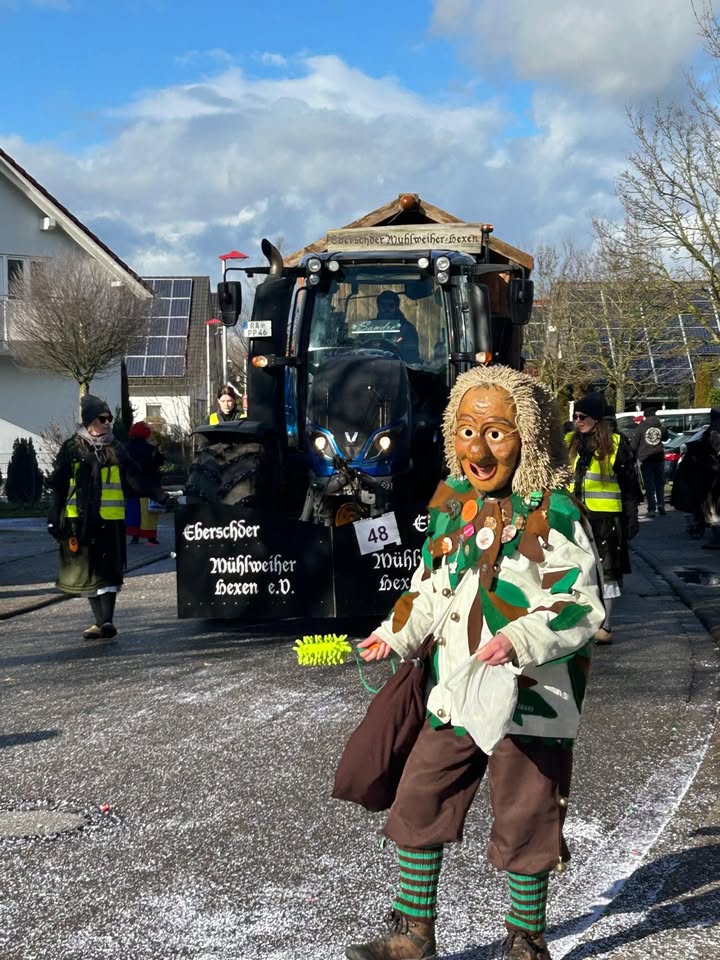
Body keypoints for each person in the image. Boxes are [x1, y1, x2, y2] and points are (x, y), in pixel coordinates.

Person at [344, 366, 604, 960]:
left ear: (528, 436)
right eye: (465, 432)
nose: (477, 451)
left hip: (531, 693)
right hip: (457, 684)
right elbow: (432, 584)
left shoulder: (550, 511)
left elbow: (579, 606)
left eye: (495, 433)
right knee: (419, 799)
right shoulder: (451, 504)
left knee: (527, 814)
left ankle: (525, 940)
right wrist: (396, 632)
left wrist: (520, 638)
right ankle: (413, 936)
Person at [47, 395, 168, 641]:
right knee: (87, 573)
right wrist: (52, 516)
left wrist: (161, 496)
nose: (109, 422)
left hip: (109, 519)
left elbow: (134, 477)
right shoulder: (72, 447)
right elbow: (58, 485)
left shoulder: (116, 447)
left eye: (110, 418)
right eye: (103, 418)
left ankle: (107, 621)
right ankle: (99, 622)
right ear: (90, 420)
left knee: (109, 571)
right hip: (78, 520)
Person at [566, 392, 641, 644]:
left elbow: (630, 485)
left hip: (606, 518)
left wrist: (631, 517)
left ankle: (605, 626)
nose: (577, 421)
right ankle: (580, 622)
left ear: (597, 419)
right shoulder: (569, 441)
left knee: (607, 573)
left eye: (582, 416)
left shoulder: (617, 444)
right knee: (576, 570)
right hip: (574, 517)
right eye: (575, 416)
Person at [671, 408, 720, 548]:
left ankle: (716, 538)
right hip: (711, 477)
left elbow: (709, 451)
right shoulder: (711, 432)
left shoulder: (713, 431)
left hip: (711, 478)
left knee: (712, 509)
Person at [124, 421, 165, 545]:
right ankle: (150, 538)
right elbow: (159, 462)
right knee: (149, 513)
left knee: (133, 512)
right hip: (147, 485)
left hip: (131, 485)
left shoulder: (126, 447)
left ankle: (134, 537)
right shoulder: (150, 448)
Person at [632, 406, 668, 516]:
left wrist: (632, 455)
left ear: (645, 416)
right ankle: (661, 504)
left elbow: (634, 443)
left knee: (649, 484)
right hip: (659, 457)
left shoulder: (641, 427)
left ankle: (651, 509)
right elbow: (666, 438)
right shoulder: (661, 426)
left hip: (646, 458)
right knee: (659, 483)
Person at [367, 291, 420, 363]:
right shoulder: (368, 327)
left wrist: (393, 349)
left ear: (396, 307)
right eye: (383, 306)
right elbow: (359, 348)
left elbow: (411, 358)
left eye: (391, 306)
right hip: (370, 368)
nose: (387, 309)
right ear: (378, 306)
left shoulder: (407, 329)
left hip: (399, 369)